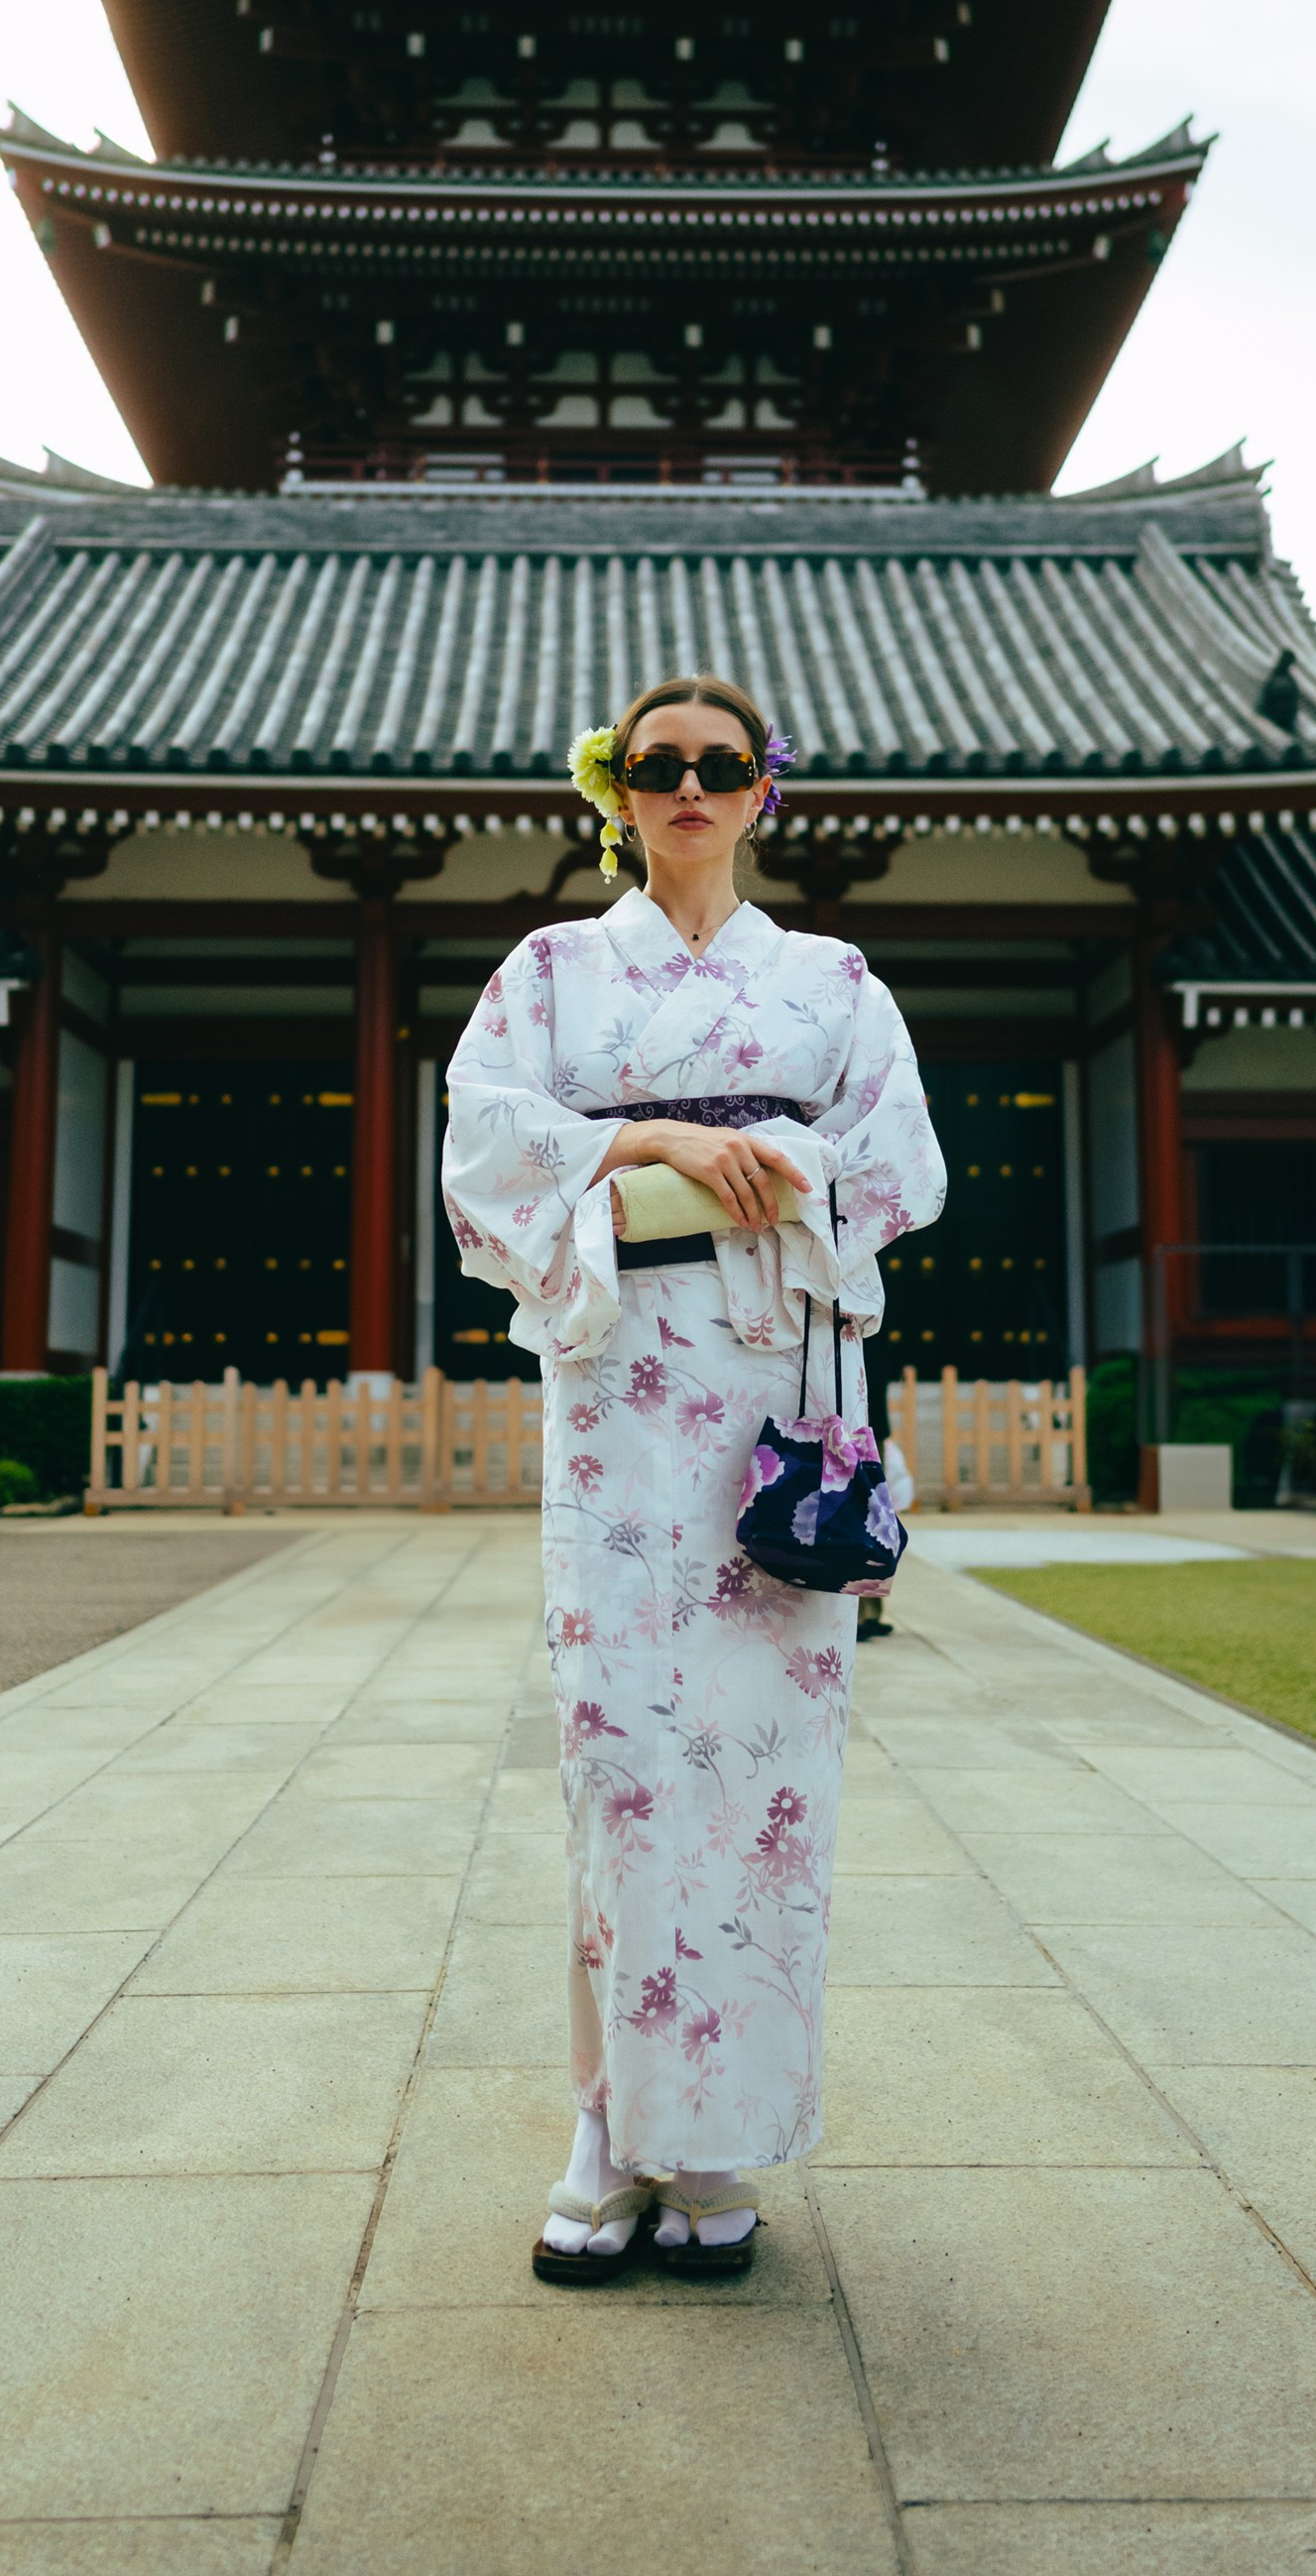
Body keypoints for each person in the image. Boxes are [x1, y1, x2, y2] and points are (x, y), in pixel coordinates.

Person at [441, 673, 945, 2281]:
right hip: (620, 1391)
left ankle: (716, 2135)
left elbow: (904, 1165)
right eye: (657, 766)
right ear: (619, 788)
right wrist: (649, 1139)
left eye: (720, 767)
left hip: (776, 1387)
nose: (689, 789)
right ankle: (608, 2126)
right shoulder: (554, 971)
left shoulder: (834, 978)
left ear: (760, 793)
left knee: (765, 1770)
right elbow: (479, 1140)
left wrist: (773, 1169)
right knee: (623, 1756)